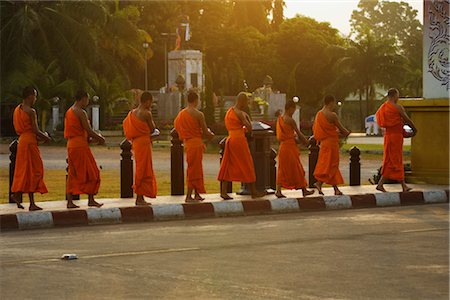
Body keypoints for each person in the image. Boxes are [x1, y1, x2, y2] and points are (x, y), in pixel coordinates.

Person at [217, 92, 266, 200]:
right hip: (239, 140)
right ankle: (253, 191)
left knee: (227, 164)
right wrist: (247, 120)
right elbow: (249, 127)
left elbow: (232, 127)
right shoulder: (240, 113)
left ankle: (223, 191)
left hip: (230, 139)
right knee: (247, 163)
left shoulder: (230, 111)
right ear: (243, 102)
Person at [11, 86, 51, 211]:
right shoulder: (31, 111)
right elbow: (35, 130)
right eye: (35, 96)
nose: (36, 99)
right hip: (29, 142)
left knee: (24, 171)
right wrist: (46, 137)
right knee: (35, 170)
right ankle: (31, 203)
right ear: (30, 96)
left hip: (22, 141)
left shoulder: (18, 109)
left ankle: (17, 194)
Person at [65, 90, 105, 209]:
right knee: (92, 172)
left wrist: (90, 139)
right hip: (80, 146)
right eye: (87, 99)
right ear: (82, 99)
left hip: (72, 144)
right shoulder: (80, 112)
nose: (87, 102)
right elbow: (88, 130)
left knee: (73, 173)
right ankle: (91, 199)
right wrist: (100, 138)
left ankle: (70, 201)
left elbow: (79, 131)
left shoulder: (69, 111)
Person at [174, 91, 215, 202]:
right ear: (196, 100)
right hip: (196, 143)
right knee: (193, 170)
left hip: (188, 143)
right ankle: (188, 196)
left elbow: (177, 126)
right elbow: (206, 132)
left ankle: (197, 193)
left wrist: (186, 134)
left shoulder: (182, 114)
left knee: (196, 169)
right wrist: (211, 135)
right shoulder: (198, 114)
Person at [375, 88, 417, 192]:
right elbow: (406, 119)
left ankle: (382, 184)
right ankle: (403, 186)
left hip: (388, 136)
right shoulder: (397, 107)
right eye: (397, 95)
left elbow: (385, 122)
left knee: (390, 160)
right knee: (396, 160)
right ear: (394, 96)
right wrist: (415, 129)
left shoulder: (383, 108)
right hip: (396, 137)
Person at [123, 91, 157, 205]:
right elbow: (152, 129)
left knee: (140, 168)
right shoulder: (146, 113)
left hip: (136, 143)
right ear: (147, 101)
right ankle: (139, 197)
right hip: (144, 143)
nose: (151, 105)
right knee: (143, 169)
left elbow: (126, 125)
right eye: (151, 102)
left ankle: (140, 196)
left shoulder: (132, 113)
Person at [276, 99, 315, 198]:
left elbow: (287, 135)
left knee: (282, 169)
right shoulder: (290, 120)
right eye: (293, 109)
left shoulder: (280, 119)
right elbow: (298, 133)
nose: (293, 112)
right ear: (290, 109)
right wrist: (306, 142)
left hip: (283, 147)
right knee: (297, 168)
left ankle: (278, 190)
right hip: (289, 148)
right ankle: (304, 190)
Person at [313, 95, 350, 195]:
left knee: (327, 164)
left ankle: (333, 188)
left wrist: (335, 132)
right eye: (334, 103)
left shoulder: (319, 114)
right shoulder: (332, 115)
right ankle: (320, 183)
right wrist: (347, 132)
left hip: (324, 143)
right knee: (332, 165)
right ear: (331, 103)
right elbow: (342, 129)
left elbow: (319, 130)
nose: (334, 105)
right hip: (332, 143)